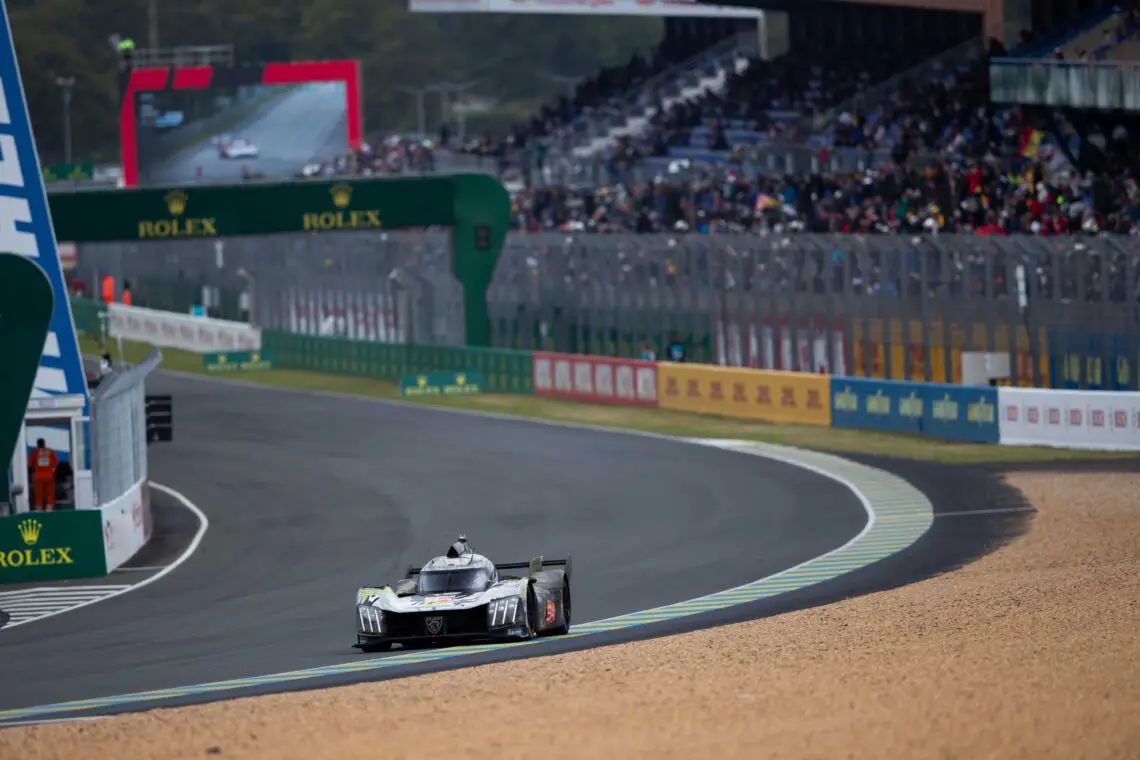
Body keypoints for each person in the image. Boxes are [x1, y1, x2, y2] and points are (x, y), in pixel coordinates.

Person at [27, 439, 59, 512]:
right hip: (49, 476)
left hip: (38, 477)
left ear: (37, 444)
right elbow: (55, 463)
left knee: (39, 493)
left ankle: (39, 509)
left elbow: (30, 464)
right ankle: (49, 508)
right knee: (49, 493)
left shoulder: (34, 453)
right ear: (44, 443)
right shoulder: (51, 452)